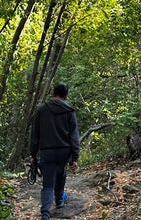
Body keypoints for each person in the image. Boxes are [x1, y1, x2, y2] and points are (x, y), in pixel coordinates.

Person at [30, 84, 80, 220]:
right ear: (65, 95)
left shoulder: (41, 109)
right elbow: (74, 136)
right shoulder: (70, 111)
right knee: (61, 172)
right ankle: (59, 200)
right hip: (64, 151)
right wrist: (74, 157)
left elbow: (35, 134)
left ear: (53, 93)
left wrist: (33, 154)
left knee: (48, 184)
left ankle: (45, 214)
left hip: (47, 151)